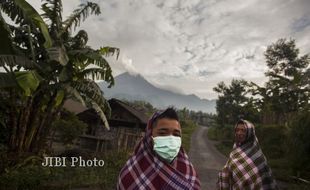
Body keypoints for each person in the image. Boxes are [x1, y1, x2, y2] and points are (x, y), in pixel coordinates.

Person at [117, 108, 201, 190]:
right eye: (163, 133)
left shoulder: (189, 173)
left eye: (176, 134)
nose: (171, 140)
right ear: (150, 135)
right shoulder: (130, 176)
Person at [217, 119, 278, 190]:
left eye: (243, 130)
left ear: (250, 133)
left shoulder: (259, 157)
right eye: (237, 130)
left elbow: (263, 180)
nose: (239, 133)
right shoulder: (235, 150)